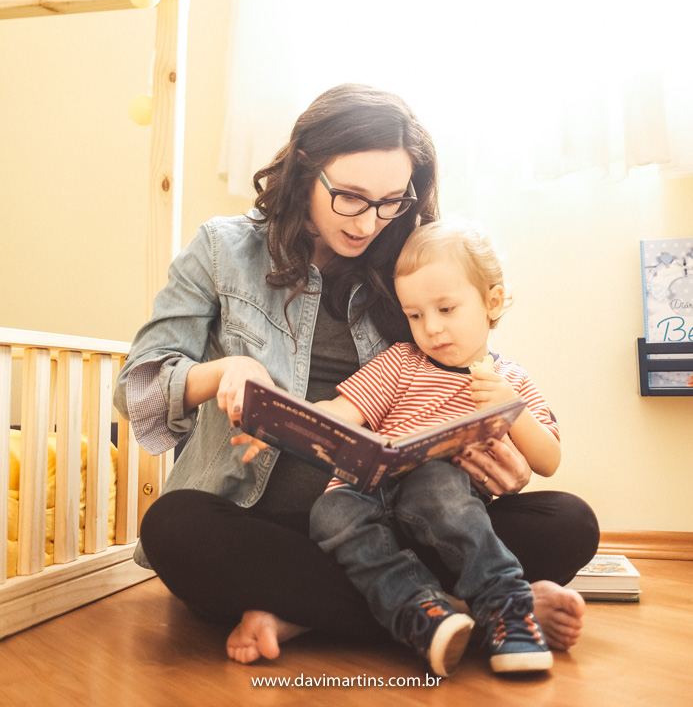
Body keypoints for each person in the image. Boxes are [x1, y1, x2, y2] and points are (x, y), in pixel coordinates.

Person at [113, 83, 598, 665]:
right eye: (350, 197)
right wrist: (225, 371)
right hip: (261, 525)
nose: (370, 221)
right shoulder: (223, 248)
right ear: (302, 169)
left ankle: (311, 610)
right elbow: (136, 385)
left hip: (397, 521)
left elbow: (451, 370)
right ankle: (484, 607)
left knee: (567, 522)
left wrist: (500, 456)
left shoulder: (408, 261)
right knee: (174, 527)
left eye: (392, 200)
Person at [236, 220, 558, 678]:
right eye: (415, 315)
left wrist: (514, 408)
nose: (431, 328)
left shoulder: (510, 382)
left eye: (446, 309)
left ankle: (506, 607)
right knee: (328, 513)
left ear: (491, 302)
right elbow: (341, 410)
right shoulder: (401, 362)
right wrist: (277, 424)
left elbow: (548, 461)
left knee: (439, 484)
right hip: (369, 489)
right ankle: (425, 617)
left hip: (440, 504)